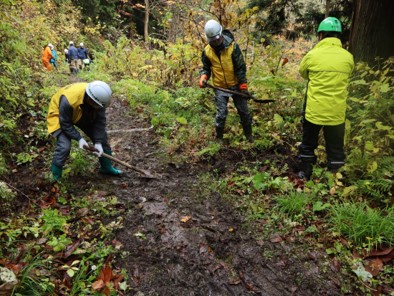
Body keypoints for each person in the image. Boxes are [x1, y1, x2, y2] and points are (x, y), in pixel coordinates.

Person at [298, 17, 354, 180]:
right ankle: (335, 178)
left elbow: (303, 74)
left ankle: (306, 173)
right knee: (335, 147)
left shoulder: (312, 55)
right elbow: (349, 74)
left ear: (321, 34)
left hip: (313, 111)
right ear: (338, 36)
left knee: (308, 144)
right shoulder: (347, 57)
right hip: (336, 112)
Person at [47, 81, 123, 180]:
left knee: (102, 139)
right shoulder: (68, 100)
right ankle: (55, 177)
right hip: (60, 114)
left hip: (81, 112)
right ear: (91, 100)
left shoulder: (100, 100)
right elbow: (65, 123)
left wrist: (98, 142)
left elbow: (100, 122)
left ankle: (106, 168)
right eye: (97, 106)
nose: (99, 108)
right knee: (64, 146)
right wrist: (79, 138)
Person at [199, 19, 253, 143]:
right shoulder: (207, 51)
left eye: (217, 39)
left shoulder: (233, 47)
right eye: (213, 41)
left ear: (221, 34)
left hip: (236, 85)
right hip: (219, 87)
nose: (216, 42)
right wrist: (204, 77)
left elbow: (240, 68)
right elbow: (206, 68)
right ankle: (219, 139)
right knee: (221, 114)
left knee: (244, 112)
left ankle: (249, 137)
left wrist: (243, 86)